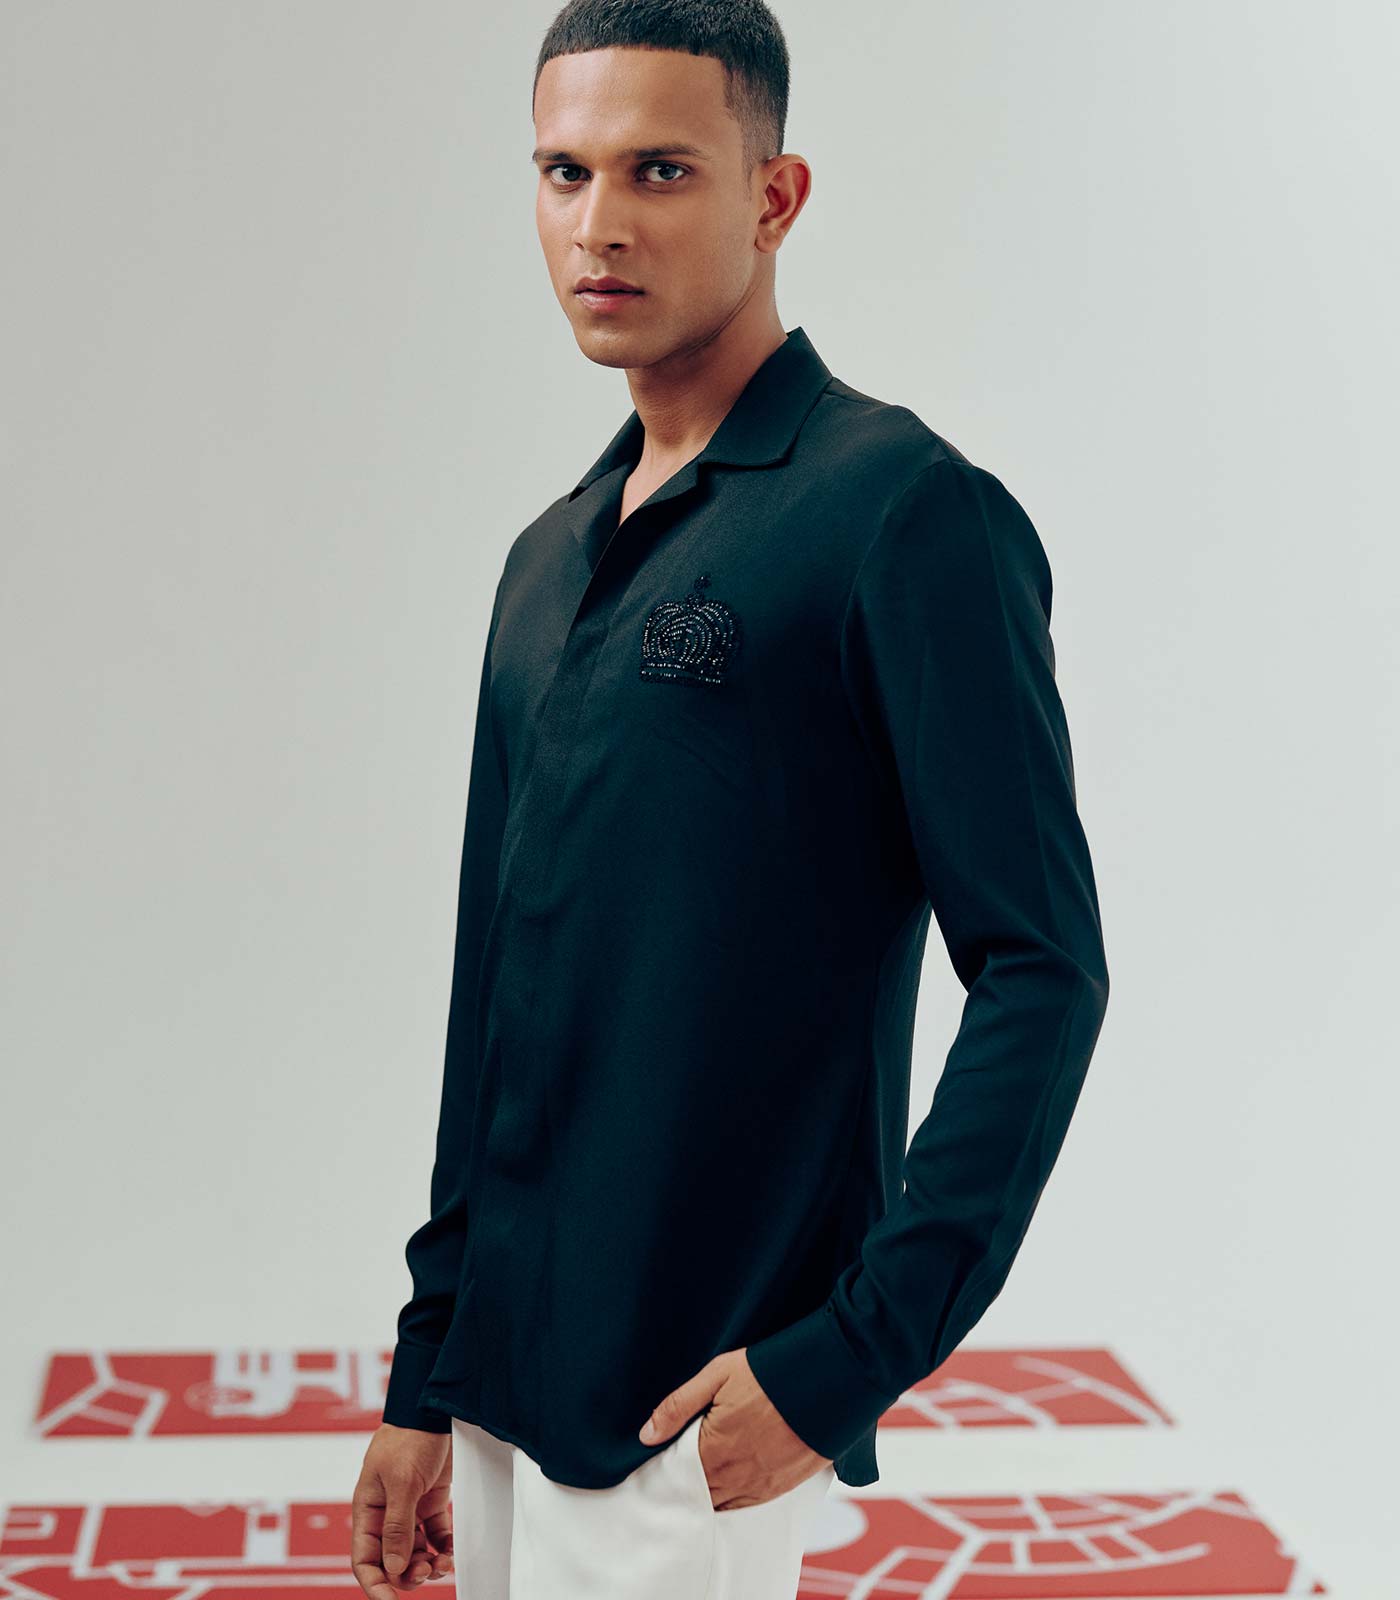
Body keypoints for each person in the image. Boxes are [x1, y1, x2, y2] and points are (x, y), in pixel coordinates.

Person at [350, 1, 1111, 1596]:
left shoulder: (904, 515)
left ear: (776, 197)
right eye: (563, 172)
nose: (598, 224)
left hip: (696, 1416)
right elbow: (496, 1004)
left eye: (661, 170)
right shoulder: (546, 559)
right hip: (497, 1394)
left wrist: (848, 1357)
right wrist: (427, 1373)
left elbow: (1043, 969)